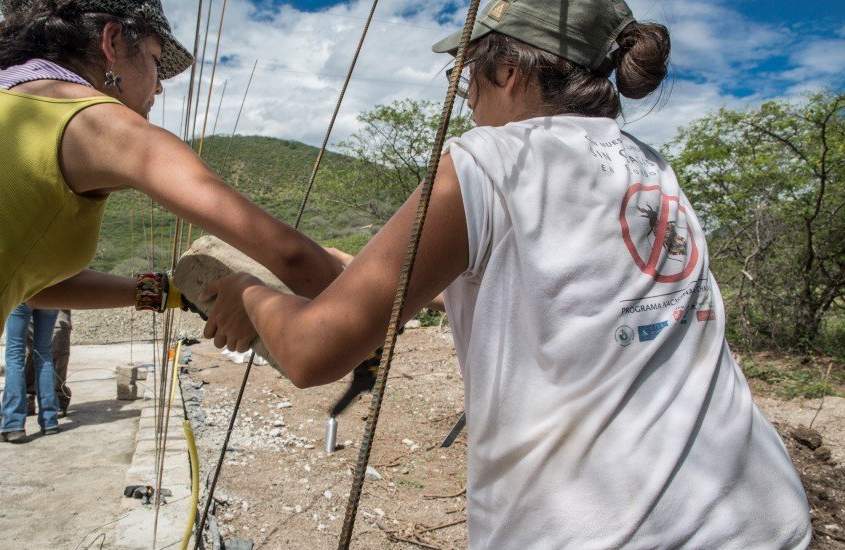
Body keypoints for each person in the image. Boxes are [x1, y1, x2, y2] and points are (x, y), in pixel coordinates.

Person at [205, 0, 812, 547]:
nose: (465, 97)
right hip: (760, 515)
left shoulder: (488, 161)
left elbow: (313, 353)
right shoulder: (653, 169)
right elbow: (541, 296)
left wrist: (248, 293)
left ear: (509, 73)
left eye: (467, 75)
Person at [0, 0, 340, 547]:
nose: (158, 89)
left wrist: (175, 296)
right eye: (154, 61)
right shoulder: (96, 122)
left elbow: (36, 286)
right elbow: (290, 256)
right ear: (110, 43)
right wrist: (392, 298)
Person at [0, 304, 60, 441]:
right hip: (50, 293)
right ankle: (50, 421)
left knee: (15, 354)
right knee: (44, 354)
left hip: (24, 293)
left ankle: (13, 424)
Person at [25, 309, 72, 417]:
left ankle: (58, 396)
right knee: (28, 348)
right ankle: (28, 394)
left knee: (58, 340)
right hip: (29, 296)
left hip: (56, 298)